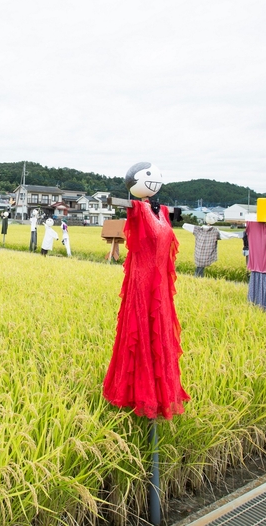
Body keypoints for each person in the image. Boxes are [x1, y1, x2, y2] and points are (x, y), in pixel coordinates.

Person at [103, 161, 189, 420]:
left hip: (161, 285)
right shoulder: (137, 210)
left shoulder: (162, 211)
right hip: (142, 285)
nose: (154, 179)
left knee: (160, 337)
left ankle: (158, 396)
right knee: (140, 335)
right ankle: (140, 397)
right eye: (148, 175)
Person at [181, 212, 241, 277]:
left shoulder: (197, 229)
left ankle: (197, 278)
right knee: (200, 270)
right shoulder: (215, 231)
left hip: (198, 255)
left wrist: (181, 222)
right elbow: (226, 235)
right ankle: (198, 278)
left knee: (199, 268)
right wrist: (238, 235)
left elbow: (186, 226)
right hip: (207, 255)